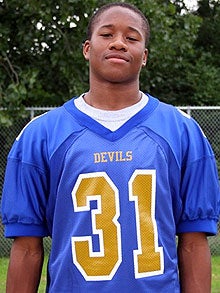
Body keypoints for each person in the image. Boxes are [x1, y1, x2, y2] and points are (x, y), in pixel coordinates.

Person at [1, 2, 220, 292]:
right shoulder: (41, 135)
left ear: (144, 56)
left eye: (131, 38)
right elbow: (27, 247)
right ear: (87, 49)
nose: (118, 43)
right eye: (107, 34)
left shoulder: (183, 132)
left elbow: (194, 242)